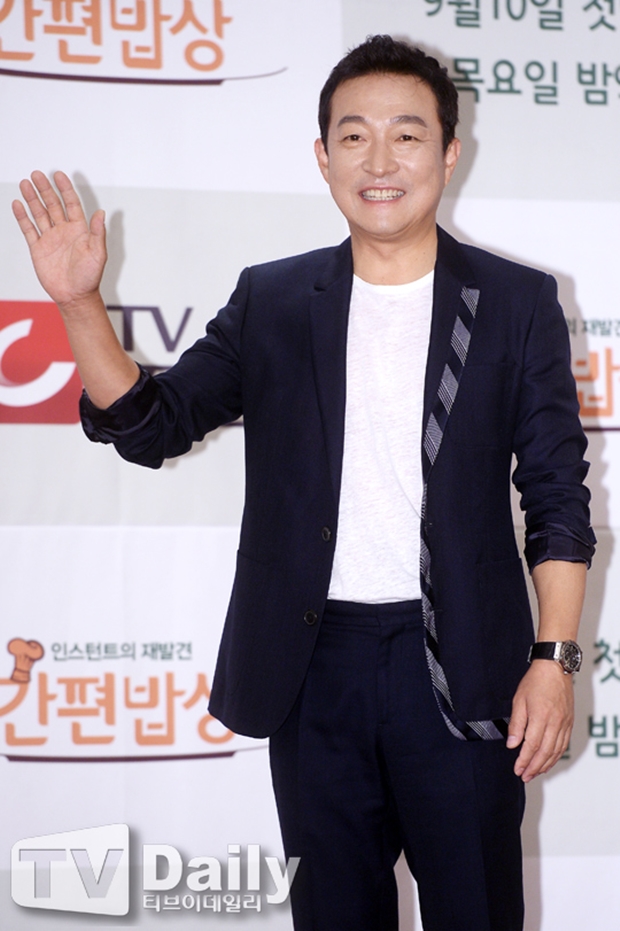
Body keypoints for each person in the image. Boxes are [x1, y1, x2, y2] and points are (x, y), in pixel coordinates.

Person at [13, 35, 594, 931]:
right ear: (323, 157)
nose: (380, 161)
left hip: (467, 668)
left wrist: (553, 661)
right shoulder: (274, 301)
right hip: (313, 667)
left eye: (407, 135)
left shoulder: (517, 302)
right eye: (354, 136)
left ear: (449, 152)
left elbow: (556, 496)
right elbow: (152, 425)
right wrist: (80, 304)